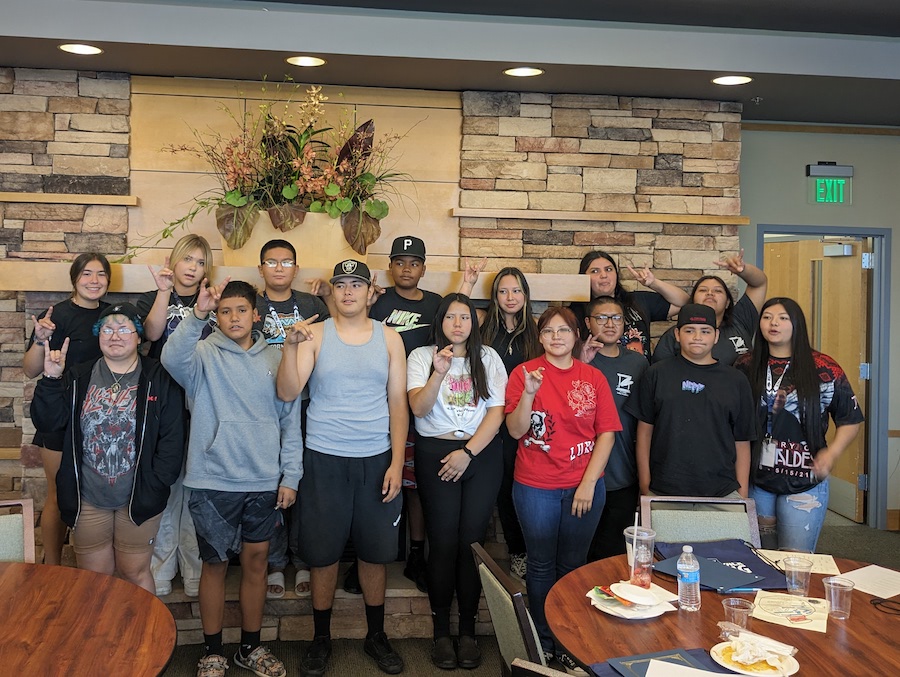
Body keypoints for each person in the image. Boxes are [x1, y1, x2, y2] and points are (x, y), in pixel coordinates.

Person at [162, 279, 302, 677]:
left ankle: (250, 648)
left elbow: (291, 422)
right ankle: (211, 652)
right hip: (212, 481)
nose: (233, 317)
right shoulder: (201, 354)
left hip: (263, 481)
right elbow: (171, 357)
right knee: (215, 565)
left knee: (256, 563)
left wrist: (291, 475)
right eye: (225, 311)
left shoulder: (276, 358)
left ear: (256, 314)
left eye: (241, 310)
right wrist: (198, 312)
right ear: (217, 316)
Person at [278, 259, 408, 677]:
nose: (348, 291)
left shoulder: (390, 339)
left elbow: (398, 404)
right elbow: (288, 391)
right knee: (323, 555)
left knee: (374, 554)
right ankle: (321, 639)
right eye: (341, 285)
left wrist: (396, 461)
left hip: (375, 458)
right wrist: (290, 346)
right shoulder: (313, 335)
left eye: (357, 284)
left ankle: (376, 635)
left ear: (371, 291)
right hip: (324, 458)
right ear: (331, 291)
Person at [31, 303, 184, 592]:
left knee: (135, 574)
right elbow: (50, 423)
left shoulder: (157, 377)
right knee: (94, 581)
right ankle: (98, 638)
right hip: (88, 497)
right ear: (98, 335)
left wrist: (156, 483)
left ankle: (141, 638)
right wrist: (51, 379)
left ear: (139, 337)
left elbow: (173, 438)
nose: (116, 335)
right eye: (107, 329)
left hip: (138, 498)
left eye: (125, 328)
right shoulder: (78, 375)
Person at [505, 307, 620, 672]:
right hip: (536, 486)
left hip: (584, 488)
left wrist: (587, 483)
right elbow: (515, 430)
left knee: (573, 567)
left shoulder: (593, 377)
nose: (556, 337)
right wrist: (528, 394)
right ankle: (542, 641)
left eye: (564, 331)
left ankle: (569, 639)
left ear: (576, 336)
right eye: (549, 331)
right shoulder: (524, 373)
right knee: (540, 566)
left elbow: (606, 434)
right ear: (539, 337)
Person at [407, 293, 507, 670]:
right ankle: (440, 633)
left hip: (479, 455)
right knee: (444, 541)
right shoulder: (421, 356)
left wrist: (468, 454)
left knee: (472, 543)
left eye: (465, 317)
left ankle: (467, 630)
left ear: (473, 323)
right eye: (451, 317)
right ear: (441, 321)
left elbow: (497, 413)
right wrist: (439, 372)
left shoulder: (489, 359)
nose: (458, 323)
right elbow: (418, 407)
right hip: (436, 453)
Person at [736, 298, 863, 552]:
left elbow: (850, 418)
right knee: (761, 560)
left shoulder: (824, 367)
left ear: (797, 324)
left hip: (805, 479)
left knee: (796, 563)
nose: (774, 323)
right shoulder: (744, 365)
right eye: (767, 317)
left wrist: (832, 453)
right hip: (756, 479)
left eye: (783, 318)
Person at [137, 233, 215, 598]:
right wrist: (164, 292)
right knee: (166, 488)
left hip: (202, 402)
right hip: (161, 402)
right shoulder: (158, 297)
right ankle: (162, 567)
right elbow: (151, 335)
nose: (193, 268)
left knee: (196, 488)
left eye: (201, 263)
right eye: (188, 260)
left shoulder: (211, 301)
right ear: (175, 260)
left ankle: (194, 567)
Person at [24, 252, 111, 566]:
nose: (94, 280)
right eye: (87, 273)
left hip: (100, 419)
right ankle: (52, 564)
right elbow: (30, 370)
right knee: (58, 494)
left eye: (101, 274)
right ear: (75, 278)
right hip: (59, 414)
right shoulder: (56, 315)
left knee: (96, 494)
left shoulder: (113, 316)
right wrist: (39, 339)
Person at [253, 239, 328, 600]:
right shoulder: (251, 305)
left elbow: (332, 349)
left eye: (286, 262)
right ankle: (275, 561)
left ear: (296, 269)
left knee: (302, 484)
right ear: (261, 268)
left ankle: (302, 559)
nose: (279, 268)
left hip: (306, 405)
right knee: (271, 486)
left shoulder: (312, 304)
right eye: (272, 261)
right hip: (262, 407)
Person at [460, 262, 541, 580]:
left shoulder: (536, 330)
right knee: (497, 491)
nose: (510, 296)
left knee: (520, 489)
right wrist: (467, 283)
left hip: (523, 423)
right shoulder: (482, 325)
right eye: (503, 290)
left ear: (525, 294)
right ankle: (486, 558)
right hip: (485, 422)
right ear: (494, 295)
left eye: (516, 290)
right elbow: (453, 314)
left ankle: (526, 552)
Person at [626, 303, 756, 498]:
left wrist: (742, 492)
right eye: (689, 330)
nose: (697, 337)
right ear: (677, 335)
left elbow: (742, 440)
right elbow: (644, 433)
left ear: (716, 336)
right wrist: (645, 486)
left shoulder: (736, 380)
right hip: (663, 489)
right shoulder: (656, 374)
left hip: (722, 491)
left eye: (705, 331)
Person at [579, 296, 649, 561]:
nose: (610, 324)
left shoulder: (638, 363)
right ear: (588, 322)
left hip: (623, 471)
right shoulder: (577, 360)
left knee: (614, 553)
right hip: (581, 473)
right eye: (601, 318)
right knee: (581, 551)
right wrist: (582, 363)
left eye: (616, 318)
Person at [652, 249, 768, 365]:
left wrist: (743, 270)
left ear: (727, 303)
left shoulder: (741, 320)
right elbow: (661, 375)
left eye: (717, 291)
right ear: (693, 300)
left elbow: (759, 284)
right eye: (703, 290)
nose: (710, 293)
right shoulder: (677, 334)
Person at [570, 250, 691, 358]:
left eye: (608, 269)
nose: (604, 275)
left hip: (640, 375)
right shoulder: (574, 313)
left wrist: (653, 283)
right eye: (595, 271)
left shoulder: (637, 300)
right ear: (583, 277)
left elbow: (684, 303)